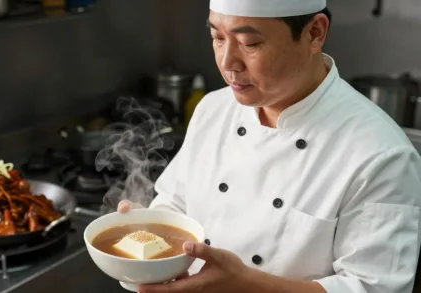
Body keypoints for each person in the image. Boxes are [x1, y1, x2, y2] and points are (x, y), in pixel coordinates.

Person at [118, 0, 421, 292]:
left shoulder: (381, 155)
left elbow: (371, 288)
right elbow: (176, 204)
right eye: (217, 37)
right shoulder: (213, 109)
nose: (227, 63)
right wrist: (150, 231)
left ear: (315, 32)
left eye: (250, 44)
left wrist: (248, 286)